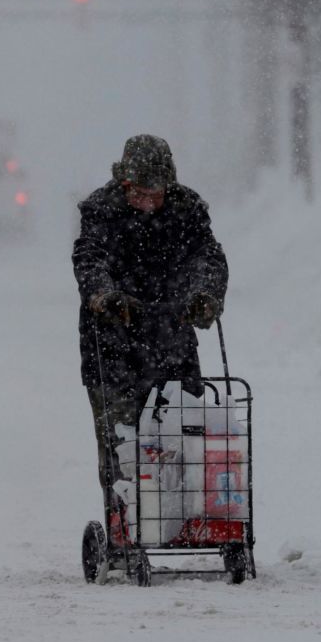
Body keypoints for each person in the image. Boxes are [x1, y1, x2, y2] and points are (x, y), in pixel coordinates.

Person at [71, 134, 228, 509]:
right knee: (121, 442)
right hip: (112, 345)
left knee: (182, 433)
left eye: (155, 194)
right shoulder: (101, 210)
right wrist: (105, 297)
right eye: (138, 193)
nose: (146, 202)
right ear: (124, 183)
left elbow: (207, 257)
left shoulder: (187, 209)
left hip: (172, 340)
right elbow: (89, 260)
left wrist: (205, 295)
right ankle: (125, 522)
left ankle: (181, 516)